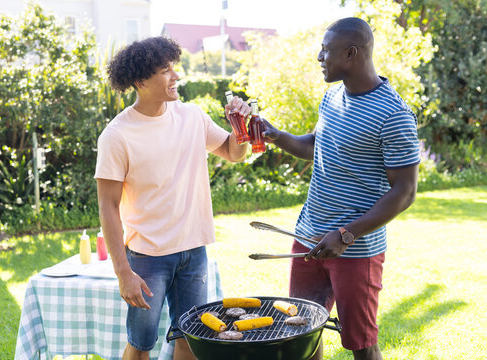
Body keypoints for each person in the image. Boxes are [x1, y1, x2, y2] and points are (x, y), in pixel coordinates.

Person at [262, 17, 420, 360]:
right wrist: (277, 136)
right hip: (308, 239)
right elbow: (316, 146)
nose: (320, 57)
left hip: (355, 251)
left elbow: (405, 192)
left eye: (326, 50)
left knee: (361, 344)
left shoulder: (394, 114)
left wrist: (346, 234)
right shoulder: (332, 96)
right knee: (300, 333)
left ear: (351, 53)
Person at [94, 37, 249, 360]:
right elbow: (107, 206)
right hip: (148, 256)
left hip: (193, 251)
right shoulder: (117, 134)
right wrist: (123, 272)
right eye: (165, 71)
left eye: (173, 68)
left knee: (189, 339)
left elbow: (233, 152)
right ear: (140, 81)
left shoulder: (191, 116)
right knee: (141, 343)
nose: (176, 77)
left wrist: (241, 127)